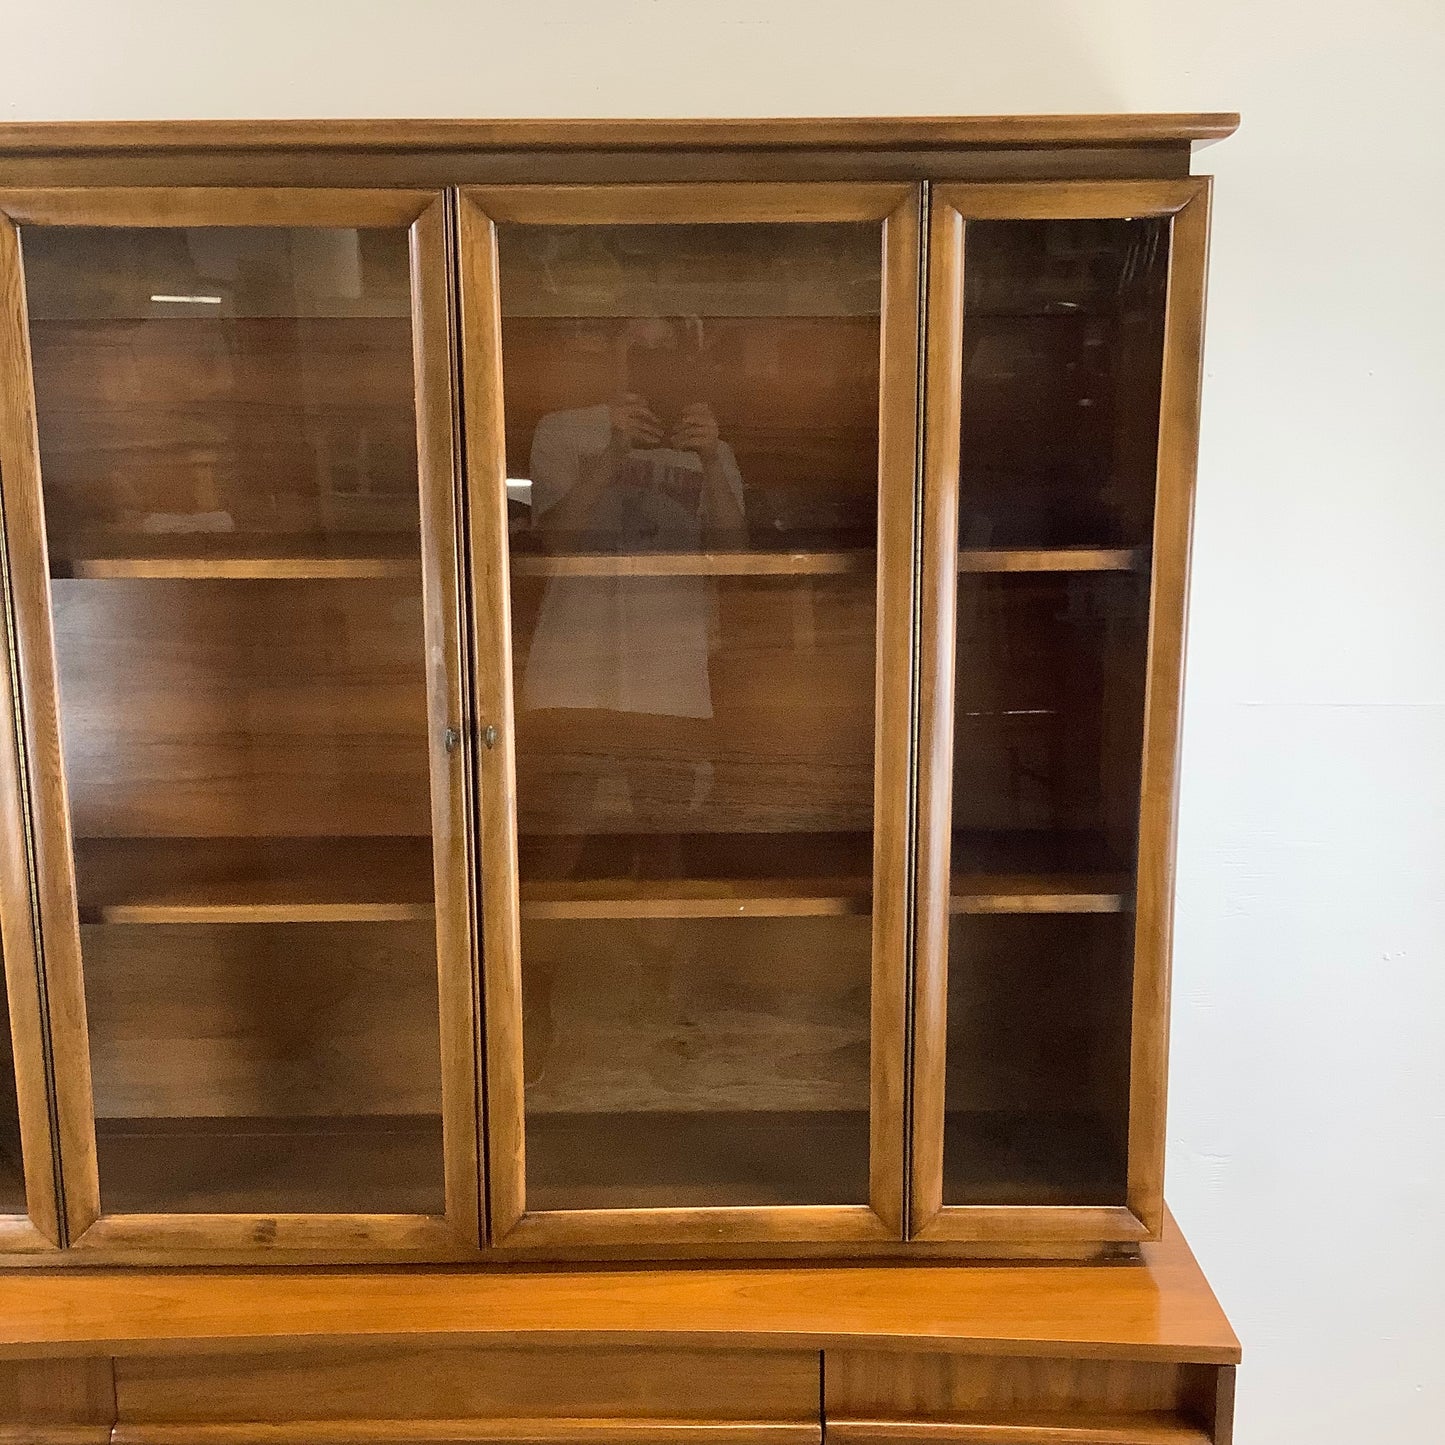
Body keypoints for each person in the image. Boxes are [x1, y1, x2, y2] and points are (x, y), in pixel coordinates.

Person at [519, 316, 746, 722]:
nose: (651, 359)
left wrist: (710, 462)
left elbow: (735, 559)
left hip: (672, 675)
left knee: (667, 785)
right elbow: (554, 543)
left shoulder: (709, 447)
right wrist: (613, 452)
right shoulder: (562, 431)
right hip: (575, 669)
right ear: (616, 354)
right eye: (639, 347)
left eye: (663, 351)